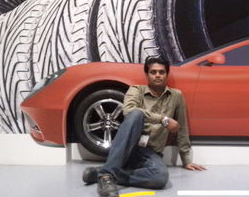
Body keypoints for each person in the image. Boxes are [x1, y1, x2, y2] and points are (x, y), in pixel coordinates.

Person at [82, 57, 206, 197]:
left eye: (161, 72)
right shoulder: (136, 90)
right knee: (136, 114)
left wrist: (186, 160)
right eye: (153, 72)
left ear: (167, 74)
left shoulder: (176, 96)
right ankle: (106, 176)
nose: (158, 75)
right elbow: (129, 111)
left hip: (150, 153)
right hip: (127, 148)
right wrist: (163, 119)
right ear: (147, 75)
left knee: (160, 178)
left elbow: (181, 127)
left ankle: (104, 172)